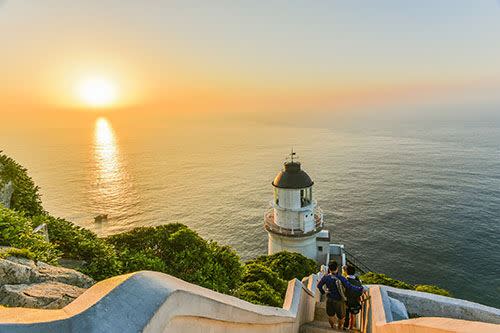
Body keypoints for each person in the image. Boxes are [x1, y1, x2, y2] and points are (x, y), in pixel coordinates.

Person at [317, 261, 365, 330]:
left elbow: (319, 286)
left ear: (329, 269)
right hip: (339, 300)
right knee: (341, 317)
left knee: (330, 315)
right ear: (337, 268)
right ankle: (339, 328)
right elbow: (350, 287)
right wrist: (360, 289)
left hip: (329, 299)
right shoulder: (341, 278)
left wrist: (323, 292)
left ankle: (333, 327)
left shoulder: (326, 277)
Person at [343, 265, 363, 330]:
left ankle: (345, 326)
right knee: (353, 314)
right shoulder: (358, 281)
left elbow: (342, 290)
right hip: (355, 300)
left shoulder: (345, 280)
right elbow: (360, 291)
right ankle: (351, 327)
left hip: (346, 300)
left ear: (346, 272)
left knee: (346, 314)